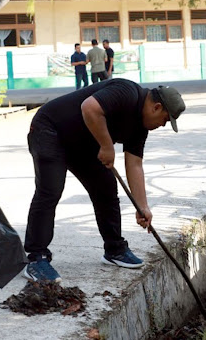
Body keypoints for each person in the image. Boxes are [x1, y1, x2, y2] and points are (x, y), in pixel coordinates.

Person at [23, 79, 186, 283]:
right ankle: (36, 258)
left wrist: (142, 207)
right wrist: (107, 146)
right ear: (156, 107)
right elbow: (90, 107)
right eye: (164, 120)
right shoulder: (126, 92)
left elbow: (134, 165)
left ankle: (115, 249)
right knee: (51, 190)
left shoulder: (140, 128)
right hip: (50, 130)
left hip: (82, 143)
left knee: (106, 189)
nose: (162, 125)